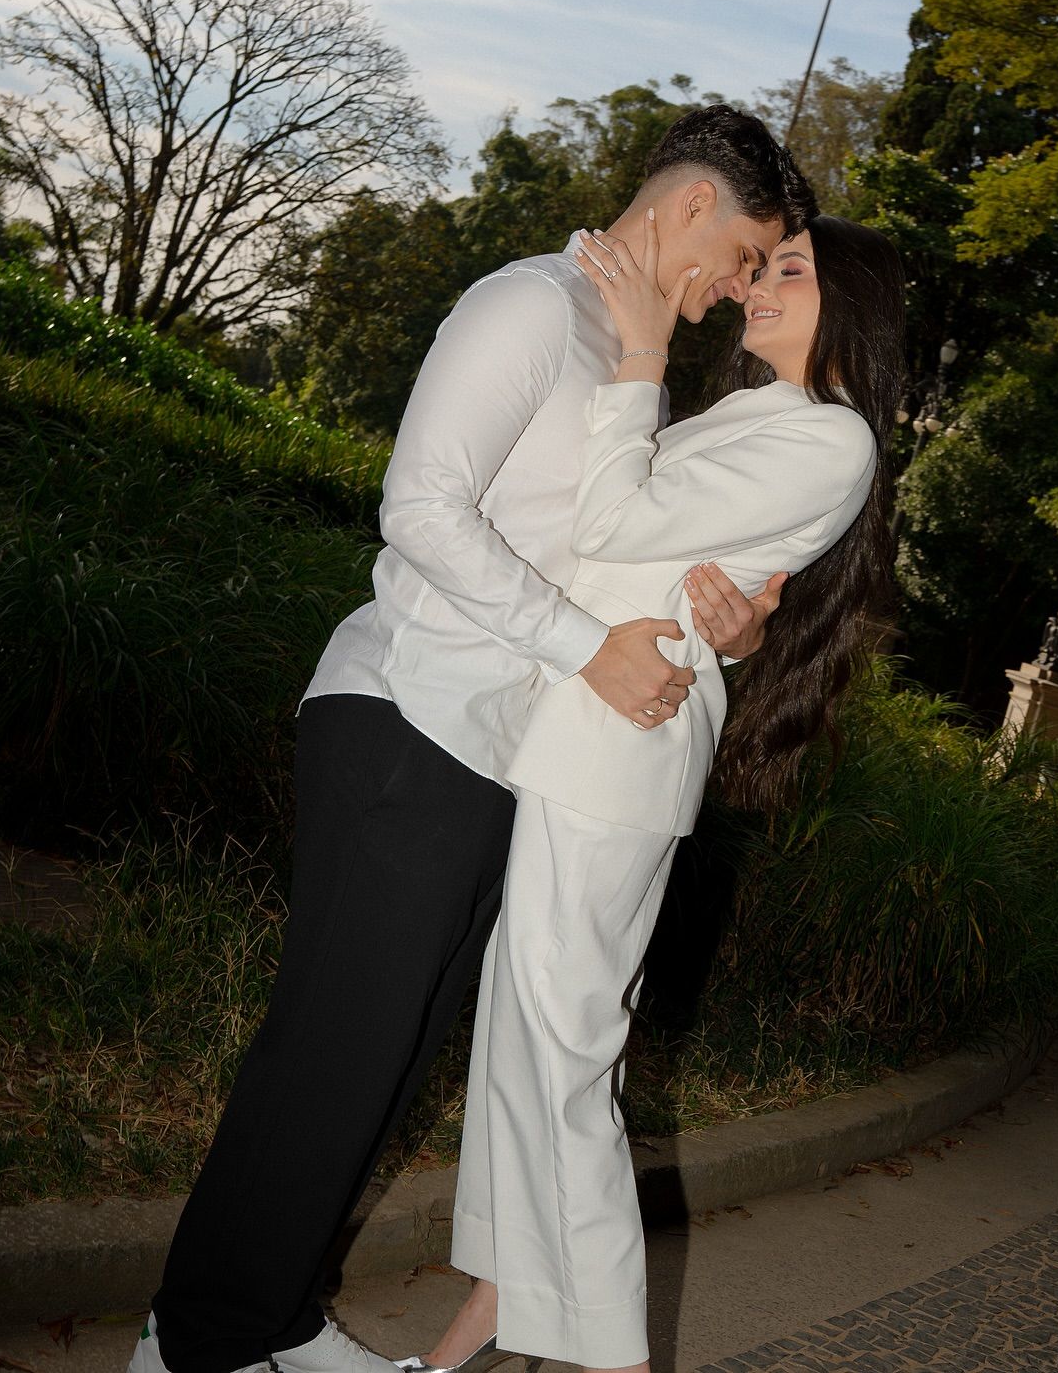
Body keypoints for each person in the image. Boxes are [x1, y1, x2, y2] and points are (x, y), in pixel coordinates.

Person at [129, 108, 815, 1373]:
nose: (736, 293)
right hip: (406, 713)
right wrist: (582, 647)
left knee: (386, 1059)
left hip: (504, 753)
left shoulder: (634, 358)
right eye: (743, 254)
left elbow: (622, 552)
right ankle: (201, 1340)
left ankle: (264, 1321)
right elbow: (420, 509)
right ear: (687, 209)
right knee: (335, 1047)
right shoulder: (529, 307)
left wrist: (731, 623)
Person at [411, 209, 907, 1373]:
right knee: (525, 1043)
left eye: (792, 271)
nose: (758, 289)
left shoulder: (834, 440)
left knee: (568, 1052)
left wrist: (640, 353)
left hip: (619, 751)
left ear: (858, 309)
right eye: (764, 267)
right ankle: (478, 1328)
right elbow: (658, 564)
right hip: (584, 733)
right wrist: (728, 634)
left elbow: (615, 516)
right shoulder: (757, 417)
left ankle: (613, 1358)